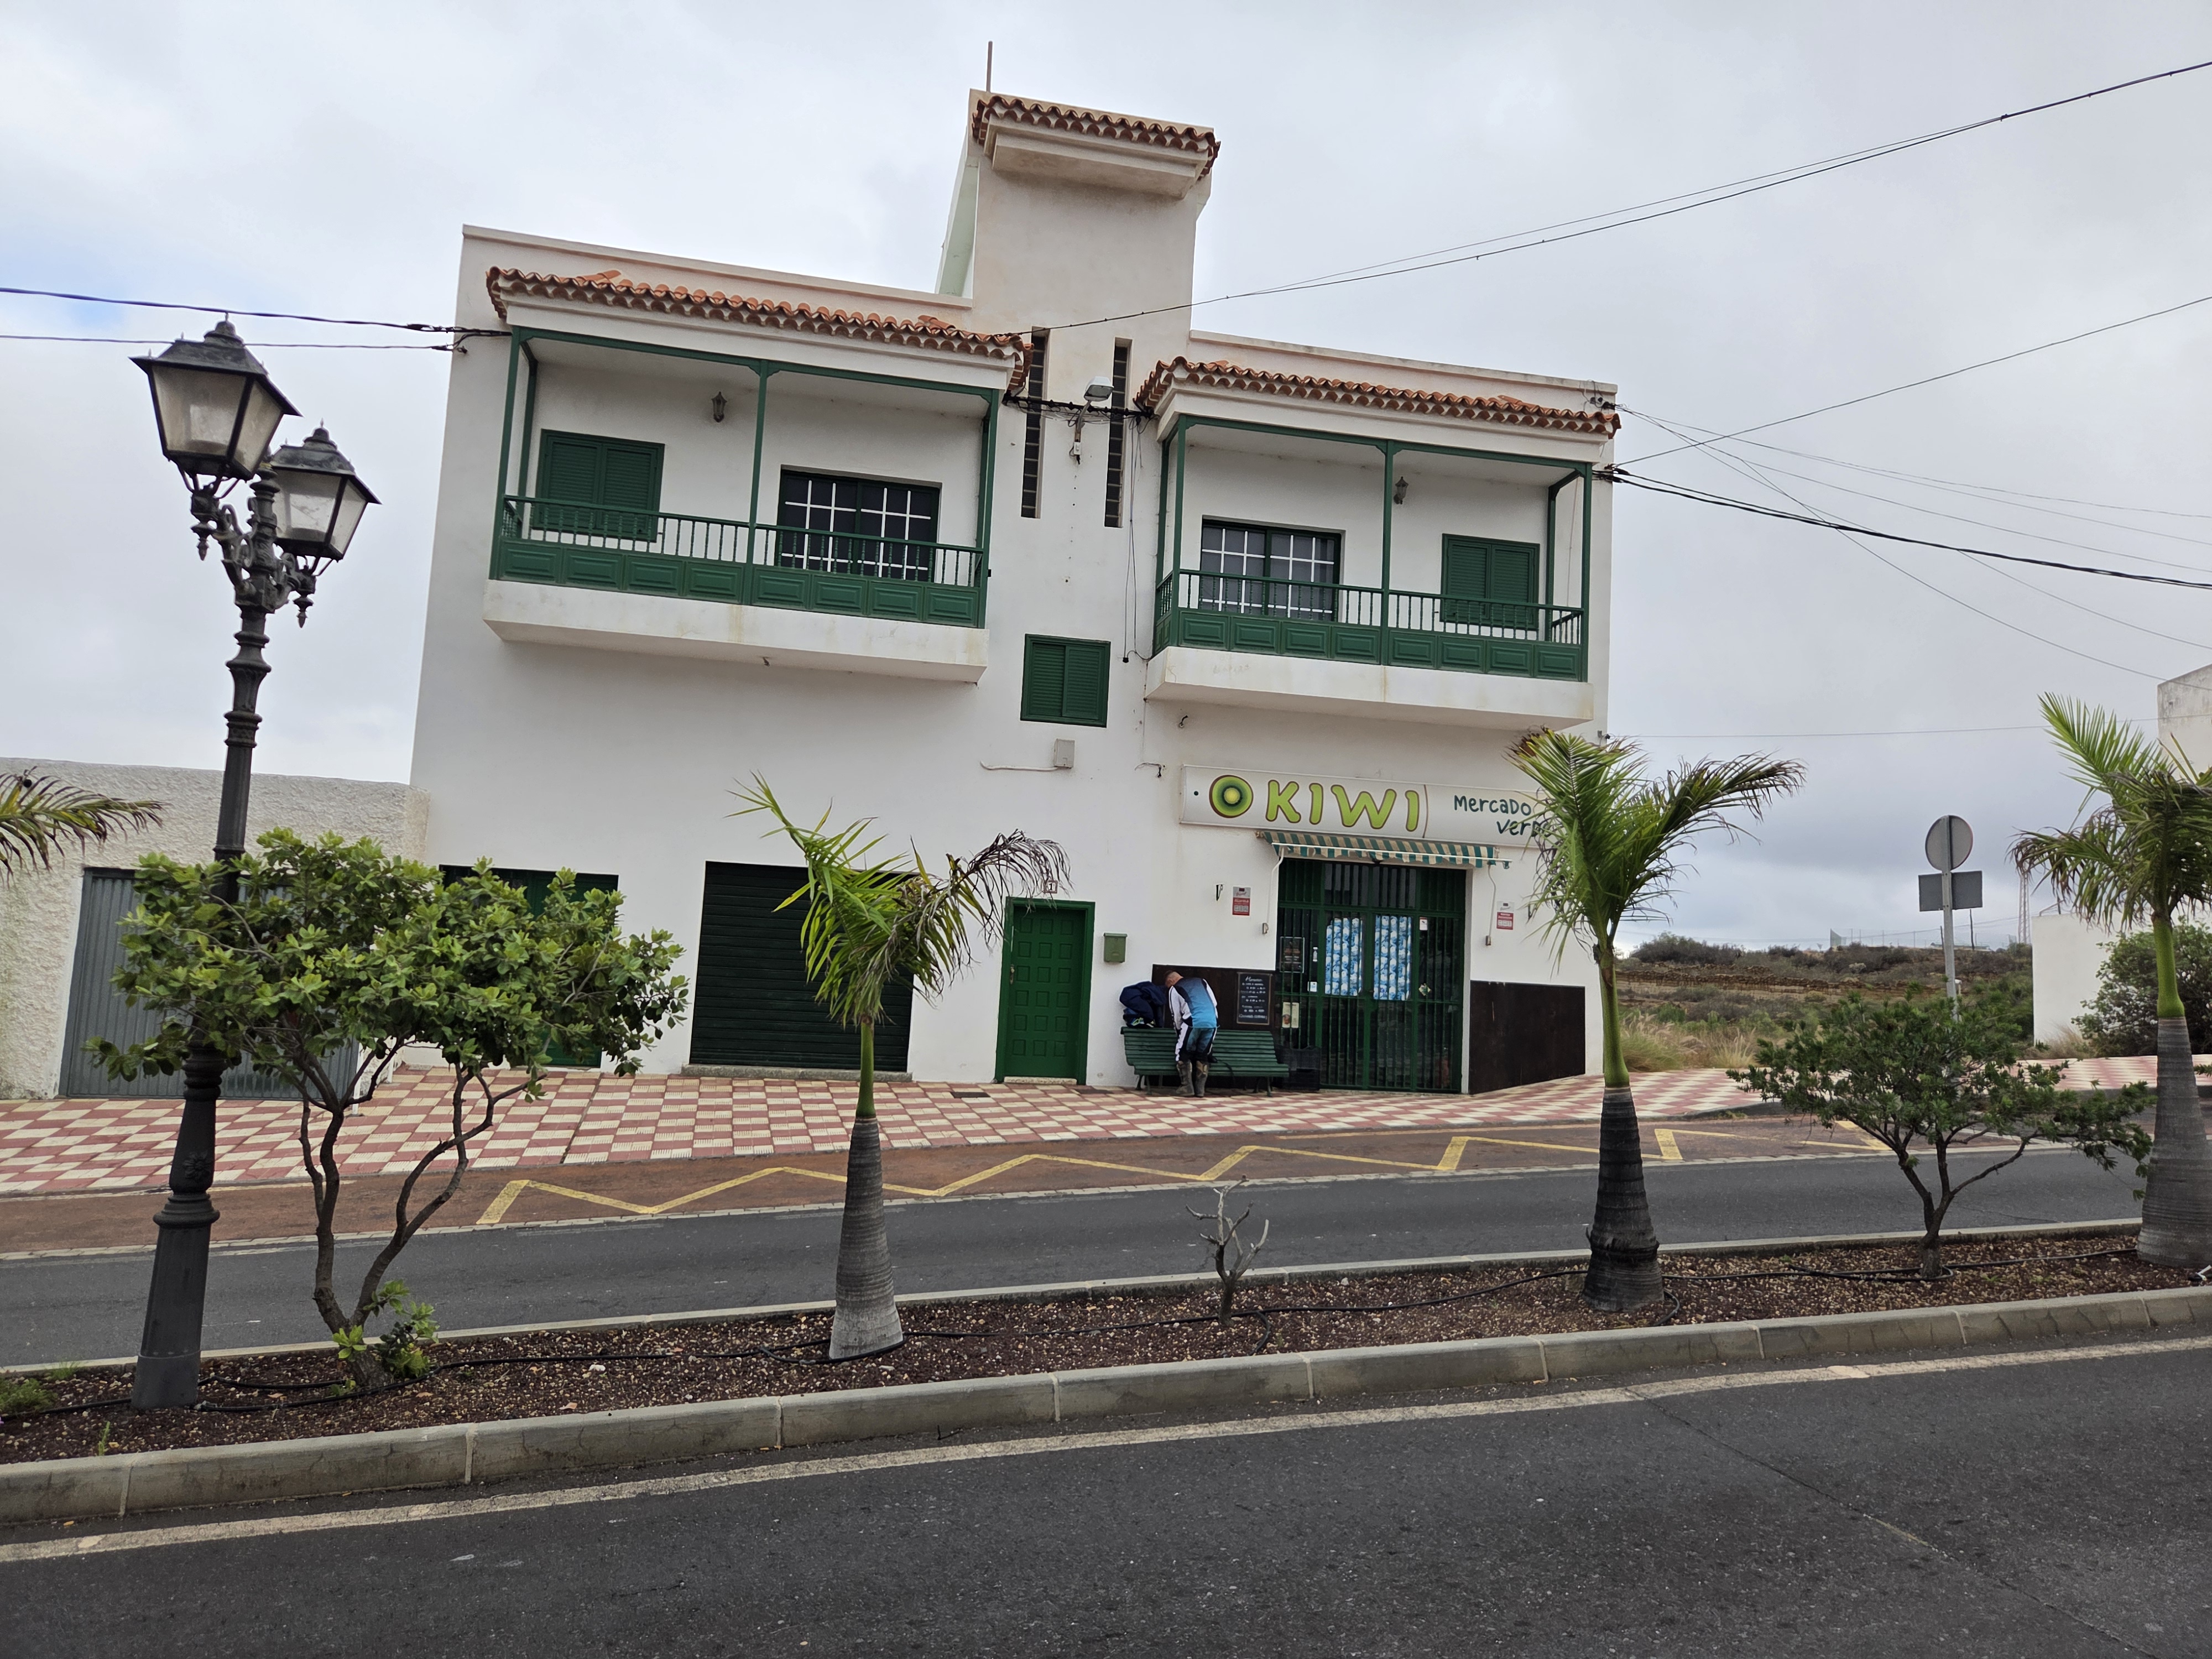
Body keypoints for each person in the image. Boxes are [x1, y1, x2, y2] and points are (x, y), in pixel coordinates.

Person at [1164, 970, 1218, 1097]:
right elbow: (1214, 1004)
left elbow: (1176, 1015)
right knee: (1203, 1054)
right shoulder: (1202, 982)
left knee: (1182, 1052)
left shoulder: (1174, 989)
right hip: (1212, 1022)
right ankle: (1200, 1090)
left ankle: (1186, 1087)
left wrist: (1179, 1032)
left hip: (1193, 1021)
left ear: (1170, 981)